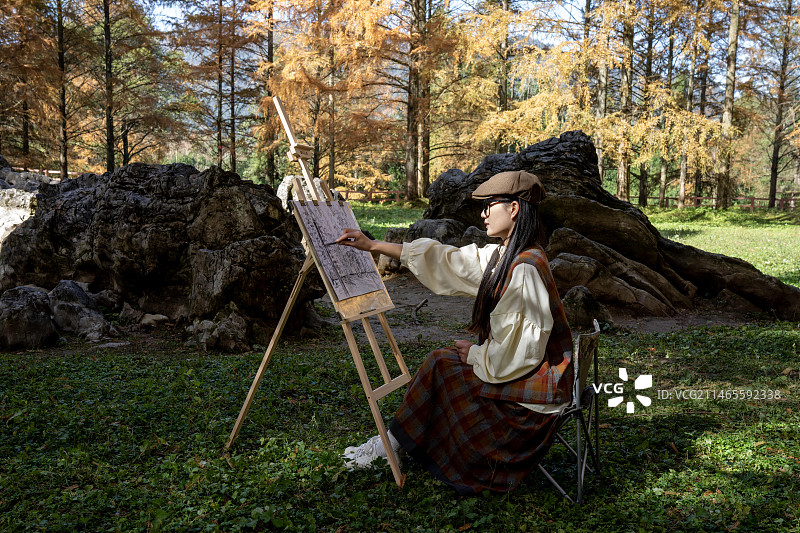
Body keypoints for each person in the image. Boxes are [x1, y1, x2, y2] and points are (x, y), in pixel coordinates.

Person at [335, 170, 574, 495]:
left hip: (529, 409)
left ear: (514, 209)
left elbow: (520, 355)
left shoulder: (525, 269)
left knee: (442, 364)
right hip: (524, 381)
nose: (483, 213)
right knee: (443, 362)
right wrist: (374, 245)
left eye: (491, 205)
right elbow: (450, 261)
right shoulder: (506, 256)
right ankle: (392, 443)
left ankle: (390, 446)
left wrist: (475, 355)